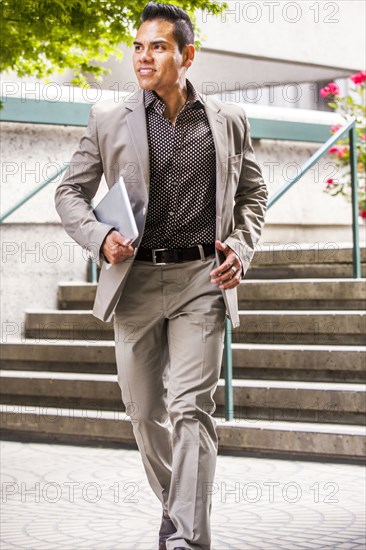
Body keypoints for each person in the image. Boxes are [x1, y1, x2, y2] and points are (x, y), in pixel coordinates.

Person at [55, 3, 267, 549]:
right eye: (138, 46)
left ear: (186, 54)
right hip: (137, 282)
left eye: (157, 47)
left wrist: (241, 247)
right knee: (145, 411)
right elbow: (68, 192)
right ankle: (180, 507)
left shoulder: (229, 120)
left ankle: (187, 538)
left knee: (191, 409)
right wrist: (100, 238)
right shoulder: (109, 118)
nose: (143, 57)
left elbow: (252, 194)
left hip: (203, 278)